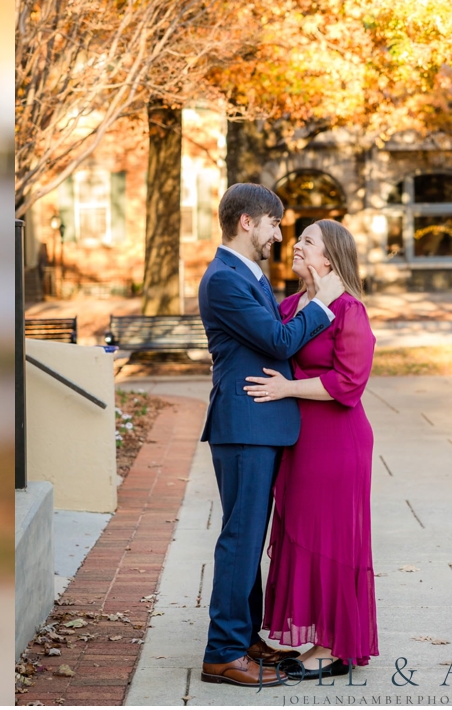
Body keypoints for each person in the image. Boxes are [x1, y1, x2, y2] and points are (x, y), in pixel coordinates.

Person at [196, 183, 344, 688]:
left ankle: (245, 638)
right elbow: (278, 339)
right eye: (274, 224)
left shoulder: (247, 275)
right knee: (241, 537)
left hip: (260, 422)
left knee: (249, 536)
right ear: (247, 222)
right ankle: (223, 652)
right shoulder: (224, 279)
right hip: (245, 423)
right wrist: (322, 304)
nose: (280, 235)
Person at [246, 219, 379, 677]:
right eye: (297, 238)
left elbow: (349, 383)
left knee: (332, 540)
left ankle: (334, 647)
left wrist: (288, 389)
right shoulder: (290, 305)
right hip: (298, 443)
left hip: (338, 443)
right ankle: (316, 636)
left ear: (330, 257)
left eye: (307, 241)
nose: (295, 246)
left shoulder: (349, 310)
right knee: (301, 536)